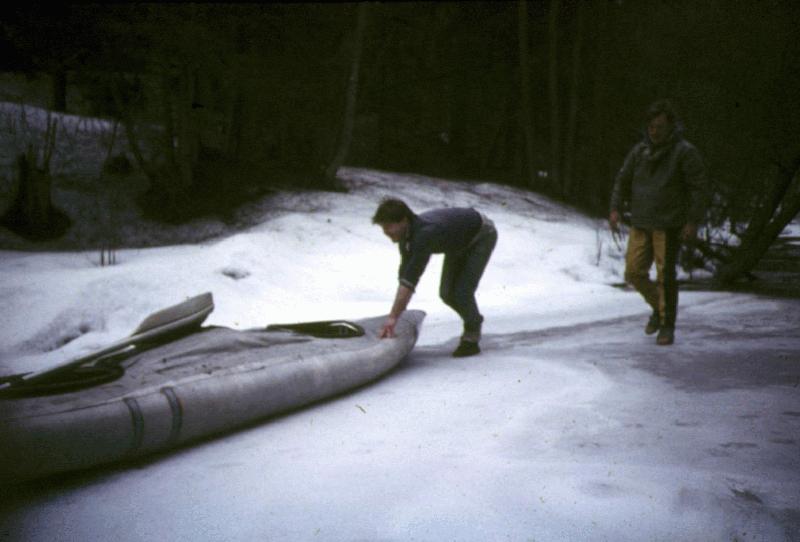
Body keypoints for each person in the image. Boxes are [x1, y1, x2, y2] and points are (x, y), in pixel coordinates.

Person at [609, 99, 709, 345]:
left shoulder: (684, 152)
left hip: (669, 224)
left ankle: (667, 325)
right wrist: (615, 208)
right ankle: (658, 307)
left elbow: (699, 188)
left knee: (666, 276)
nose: (654, 132)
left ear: (671, 126)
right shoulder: (640, 151)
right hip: (641, 221)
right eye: (651, 127)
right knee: (633, 272)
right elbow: (623, 179)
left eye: (660, 127)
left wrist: (692, 221)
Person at [372, 198, 497, 357]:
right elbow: (405, 275)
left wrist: (392, 318)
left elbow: (411, 279)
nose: (385, 232)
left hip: (481, 234)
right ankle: (472, 319)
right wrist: (398, 315)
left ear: (403, 221)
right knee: (446, 293)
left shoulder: (425, 234)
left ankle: (471, 335)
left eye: (388, 226)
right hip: (458, 240)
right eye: (383, 227)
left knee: (462, 292)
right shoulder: (406, 237)